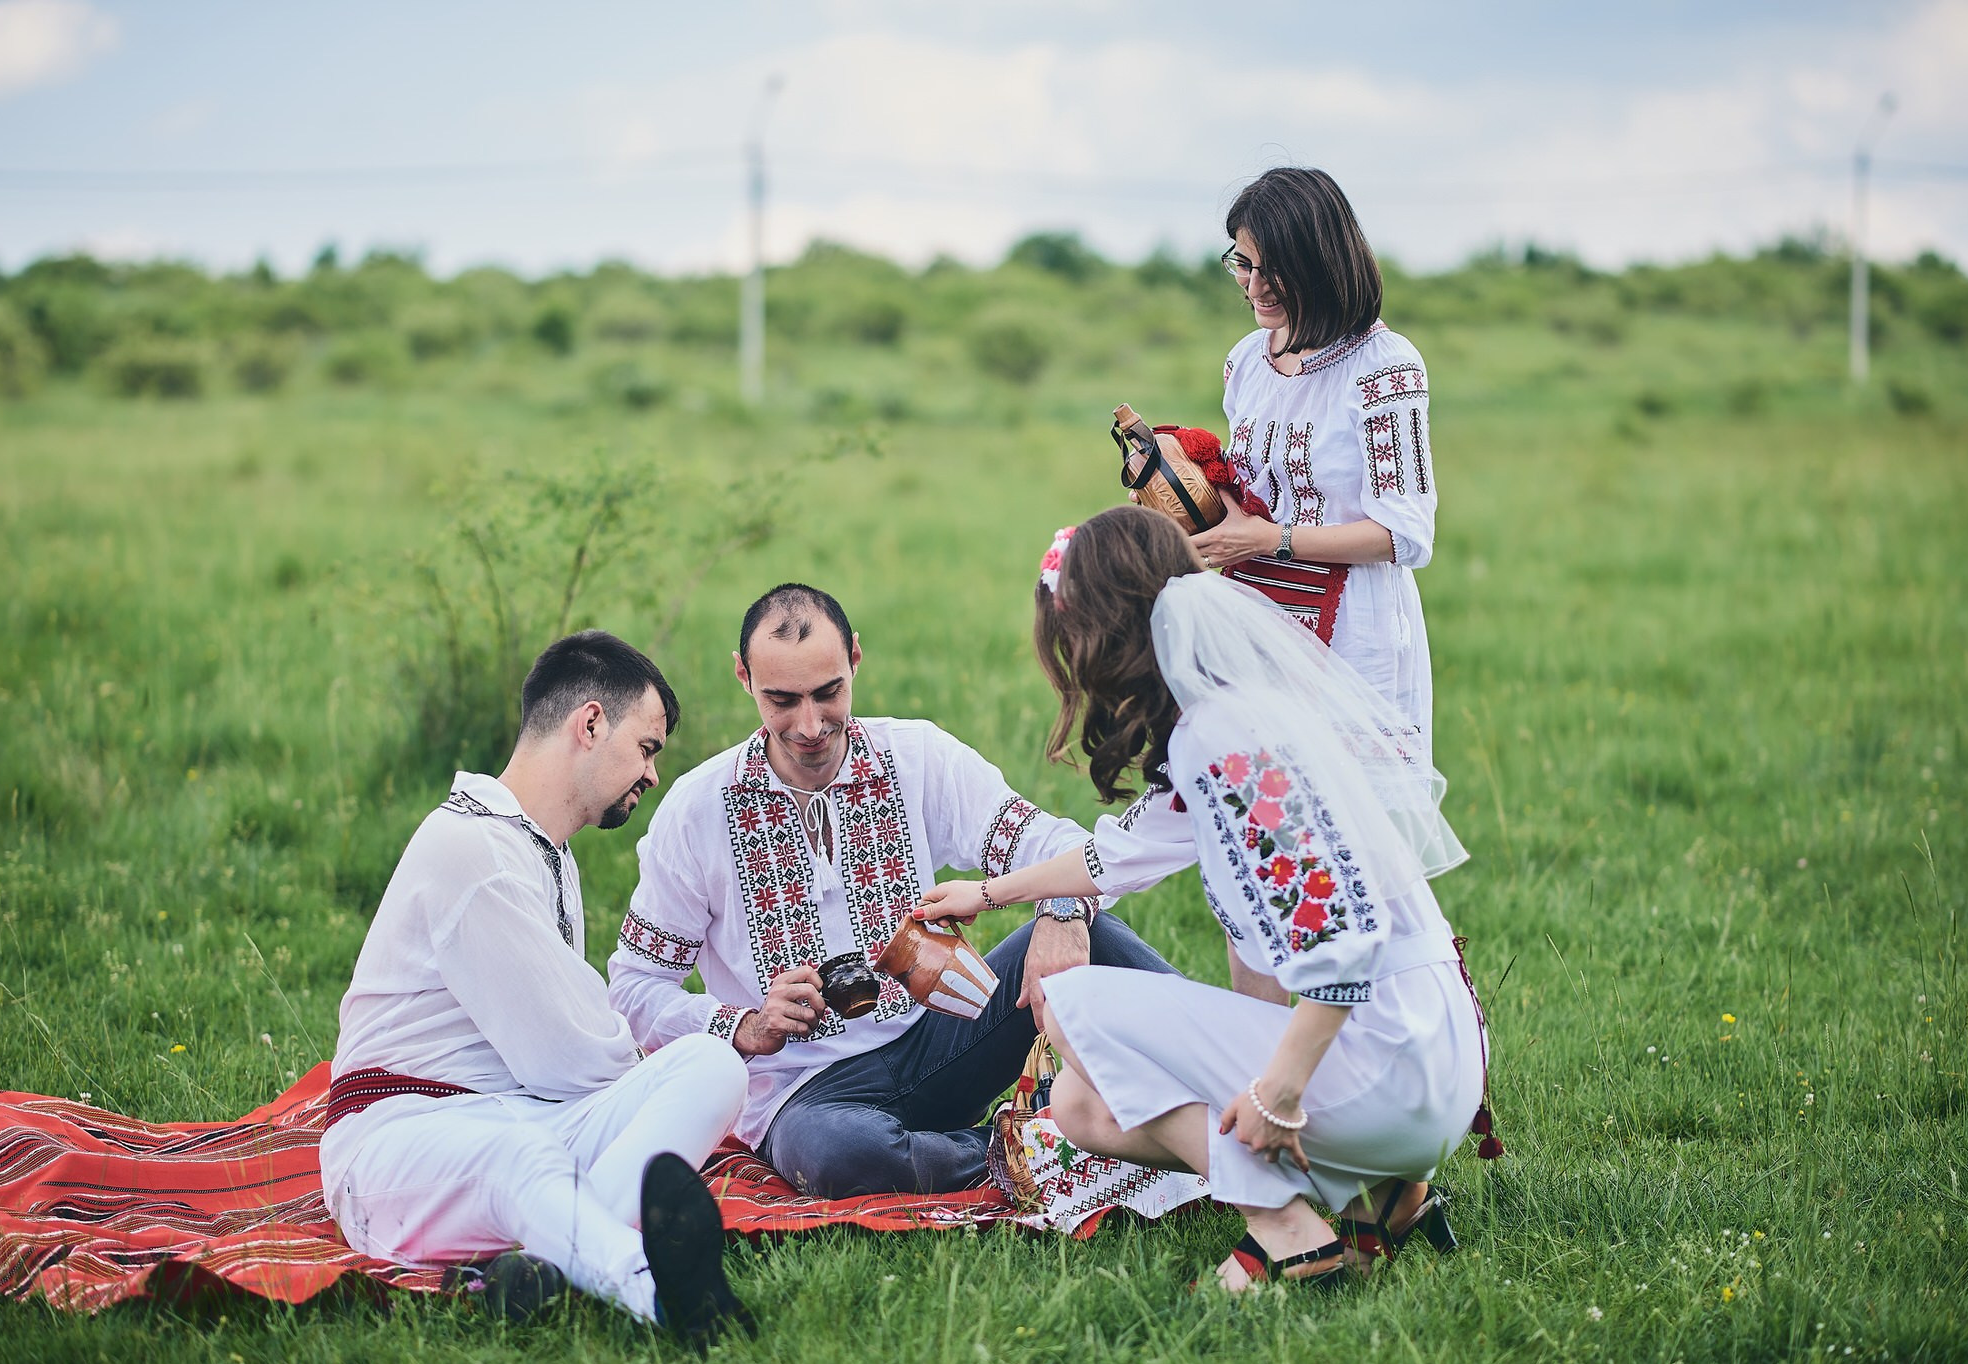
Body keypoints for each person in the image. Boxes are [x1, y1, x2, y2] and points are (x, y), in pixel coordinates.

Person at [917, 507, 1495, 1293]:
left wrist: (1277, 1096)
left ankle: (1288, 1230)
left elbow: (1342, 942)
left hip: (1389, 1066)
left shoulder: (1227, 746)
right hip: (1432, 1057)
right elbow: (1109, 855)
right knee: (1084, 1105)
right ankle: (1386, 1195)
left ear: (1102, 634)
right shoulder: (1224, 722)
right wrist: (986, 893)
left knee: (1069, 1002)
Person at [606, 583, 1175, 1199]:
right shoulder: (697, 810)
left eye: (828, 694)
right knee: (834, 1154)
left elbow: (1061, 847)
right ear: (744, 677)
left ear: (854, 658)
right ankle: (1037, 1149)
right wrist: (745, 1024)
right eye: (782, 700)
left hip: (945, 1035)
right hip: (803, 1091)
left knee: (1099, 936)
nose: (810, 725)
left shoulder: (916, 756)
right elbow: (635, 987)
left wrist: (1062, 912)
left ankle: (1245, 1092)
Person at [321, 631, 754, 1345]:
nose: (651, 776)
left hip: (521, 1122)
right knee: (523, 1156)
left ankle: (543, 1274)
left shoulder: (546, 855)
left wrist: (612, 1049)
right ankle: (660, 1294)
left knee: (714, 1064)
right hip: (403, 1145)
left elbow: (574, 1056)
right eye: (647, 748)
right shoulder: (473, 849)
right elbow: (573, 1059)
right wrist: (614, 1050)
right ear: (589, 723)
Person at [1185, 166, 1441, 748]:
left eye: (1274, 270)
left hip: (1352, 630)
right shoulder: (1247, 361)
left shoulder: (1385, 367)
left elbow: (1405, 535)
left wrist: (1269, 540)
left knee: (1347, 821)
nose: (1254, 287)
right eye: (1243, 265)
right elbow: (1257, 495)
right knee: (1259, 810)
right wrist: (1188, 496)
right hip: (1253, 612)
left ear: (1320, 263)